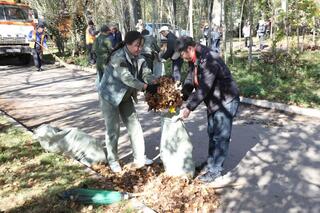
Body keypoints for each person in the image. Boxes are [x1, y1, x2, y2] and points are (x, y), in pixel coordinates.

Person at [175, 36, 240, 183]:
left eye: (182, 54)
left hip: (226, 101)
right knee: (212, 133)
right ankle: (211, 163)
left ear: (189, 49)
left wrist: (189, 108)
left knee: (221, 136)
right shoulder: (195, 58)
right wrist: (182, 97)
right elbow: (191, 79)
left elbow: (204, 87)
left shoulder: (209, 58)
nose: (182, 57)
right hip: (214, 102)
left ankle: (215, 170)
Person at [98, 31, 159, 173]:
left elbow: (146, 74)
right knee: (113, 130)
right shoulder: (117, 57)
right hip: (110, 97)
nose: (139, 49)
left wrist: (155, 81)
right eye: (137, 46)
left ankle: (139, 158)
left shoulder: (139, 57)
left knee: (135, 126)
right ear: (128, 44)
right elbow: (127, 78)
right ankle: (113, 160)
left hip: (125, 97)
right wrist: (145, 87)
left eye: (141, 46)